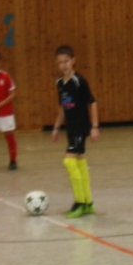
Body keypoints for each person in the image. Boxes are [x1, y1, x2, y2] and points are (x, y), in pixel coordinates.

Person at [51, 44, 99, 218]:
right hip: (71, 128)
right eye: (60, 62)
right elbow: (63, 107)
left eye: (66, 61)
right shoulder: (59, 83)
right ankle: (88, 203)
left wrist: (94, 127)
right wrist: (56, 127)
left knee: (69, 162)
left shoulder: (79, 81)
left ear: (73, 61)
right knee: (80, 162)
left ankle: (79, 203)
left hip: (81, 126)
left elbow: (92, 102)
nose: (63, 65)